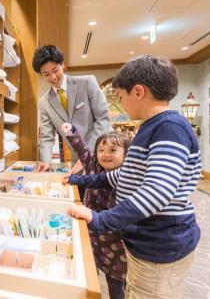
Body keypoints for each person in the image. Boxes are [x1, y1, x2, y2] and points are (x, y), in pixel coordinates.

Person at [67, 55, 201, 299]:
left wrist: (100, 219)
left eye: (120, 95)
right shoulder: (151, 127)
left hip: (159, 245)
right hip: (144, 242)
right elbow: (124, 175)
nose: (120, 102)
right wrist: (79, 180)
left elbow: (156, 192)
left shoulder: (170, 128)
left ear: (138, 91)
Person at [62, 123, 130, 299]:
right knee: (91, 275)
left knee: (115, 286)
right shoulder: (94, 168)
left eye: (113, 150)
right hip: (92, 237)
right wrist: (72, 132)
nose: (105, 154)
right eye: (100, 150)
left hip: (117, 244)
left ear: (126, 154)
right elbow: (83, 150)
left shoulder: (128, 178)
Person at [32, 45, 110, 172]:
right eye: (46, 74)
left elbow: (103, 119)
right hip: (77, 159)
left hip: (103, 152)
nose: (52, 77)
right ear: (41, 75)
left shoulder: (87, 82)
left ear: (62, 64)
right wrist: (46, 161)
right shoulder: (44, 103)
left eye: (55, 70)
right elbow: (47, 137)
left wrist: (88, 153)